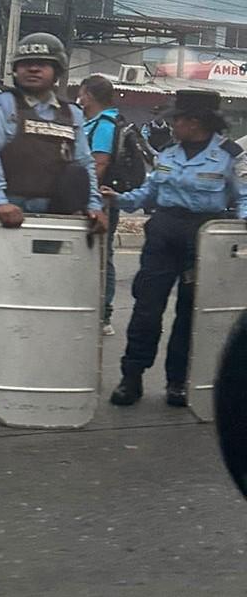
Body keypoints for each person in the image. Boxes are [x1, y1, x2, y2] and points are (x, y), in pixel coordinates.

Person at [0, 32, 107, 401]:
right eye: (26, 63)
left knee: (43, 297)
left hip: (54, 220)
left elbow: (84, 163)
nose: (33, 69)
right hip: (5, 216)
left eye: (42, 64)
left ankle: (28, 372)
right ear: (15, 69)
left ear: (57, 71)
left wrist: (94, 205)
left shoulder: (71, 114)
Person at [105, 89, 247, 408]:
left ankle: (178, 382)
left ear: (195, 122)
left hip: (203, 238)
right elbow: (149, 192)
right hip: (163, 233)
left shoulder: (229, 155)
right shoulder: (168, 152)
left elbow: (243, 195)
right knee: (146, 310)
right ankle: (132, 377)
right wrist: (118, 200)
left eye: (178, 120)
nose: (173, 125)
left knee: (189, 313)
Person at [78, 74, 121, 335]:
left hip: (100, 200)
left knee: (103, 256)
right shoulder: (89, 122)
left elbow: (99, 163)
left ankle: (104, 314)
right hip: (90, 198)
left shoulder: (105, 123)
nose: (79, 98)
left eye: (82, 93)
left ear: (90, 96)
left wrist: (87, 196)